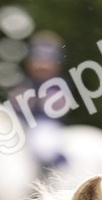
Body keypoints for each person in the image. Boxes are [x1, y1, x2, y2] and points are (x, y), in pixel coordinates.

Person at [8, 31, 69, 174]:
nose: (41, 66)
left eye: (47, 61)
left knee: (43, 145)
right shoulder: (24, 82)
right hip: (19, 124)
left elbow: (57, 108)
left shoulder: (57, 84)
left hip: (43, 123)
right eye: (37, 61)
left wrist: (35, 101)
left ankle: (51, 177)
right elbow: (13, 105)